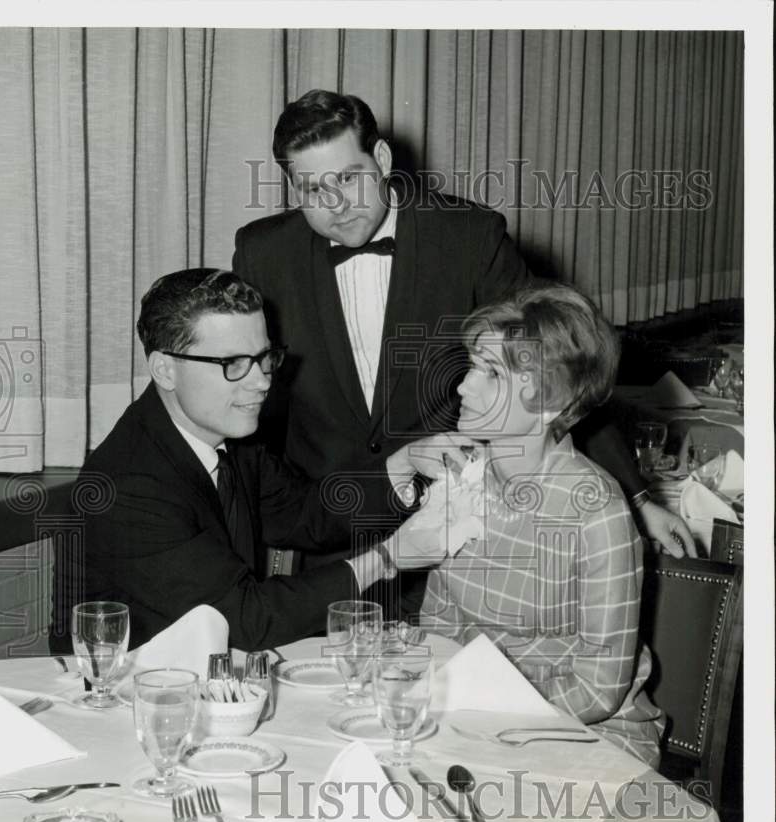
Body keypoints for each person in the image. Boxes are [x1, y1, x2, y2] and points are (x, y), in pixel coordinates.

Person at [232, 88, 695, 601]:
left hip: (462, 539)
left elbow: (558, 361)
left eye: (348, 178)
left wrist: (636, 496)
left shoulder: (466, 237)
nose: (335, 206)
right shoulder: (264, 253)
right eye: (313, 189)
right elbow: (250, 410)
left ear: (381, 160)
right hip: (332, 547)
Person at [51, 268, 459, 653]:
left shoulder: (230, 437)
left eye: (265, 357)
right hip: (125, 699)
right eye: (233, 364)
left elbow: (305, 515)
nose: (262, 381)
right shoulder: (130, 485)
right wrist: (388, 558)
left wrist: (403, 463)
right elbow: (246, 620)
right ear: (165, 369)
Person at [419, 282, 665, 767]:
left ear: (549, 403)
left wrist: (491, 714)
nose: (464, 386)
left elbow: (598, 690)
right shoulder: (459, 481)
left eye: (491, 373)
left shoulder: (596, 510)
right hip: (476, 722)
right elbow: (437, 628)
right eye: (472, 366)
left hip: (588, 737)